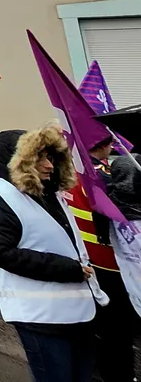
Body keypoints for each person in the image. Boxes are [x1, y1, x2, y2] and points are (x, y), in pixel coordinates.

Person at [0, 126, 108, 382]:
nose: (49, 166)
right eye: (41, 159)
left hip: (77, 312)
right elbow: (0, 252)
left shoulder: (49, 193)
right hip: (40, 319)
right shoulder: (0, 197)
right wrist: (67, 268)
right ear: (19, 162)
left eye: (51, 158)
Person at [63, 136, 137, 382]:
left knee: (101, 324)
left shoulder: (73, 172)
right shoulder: (102, 178)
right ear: (103, 145)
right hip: (114, 264)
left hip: (89, 261)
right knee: (118, 332)